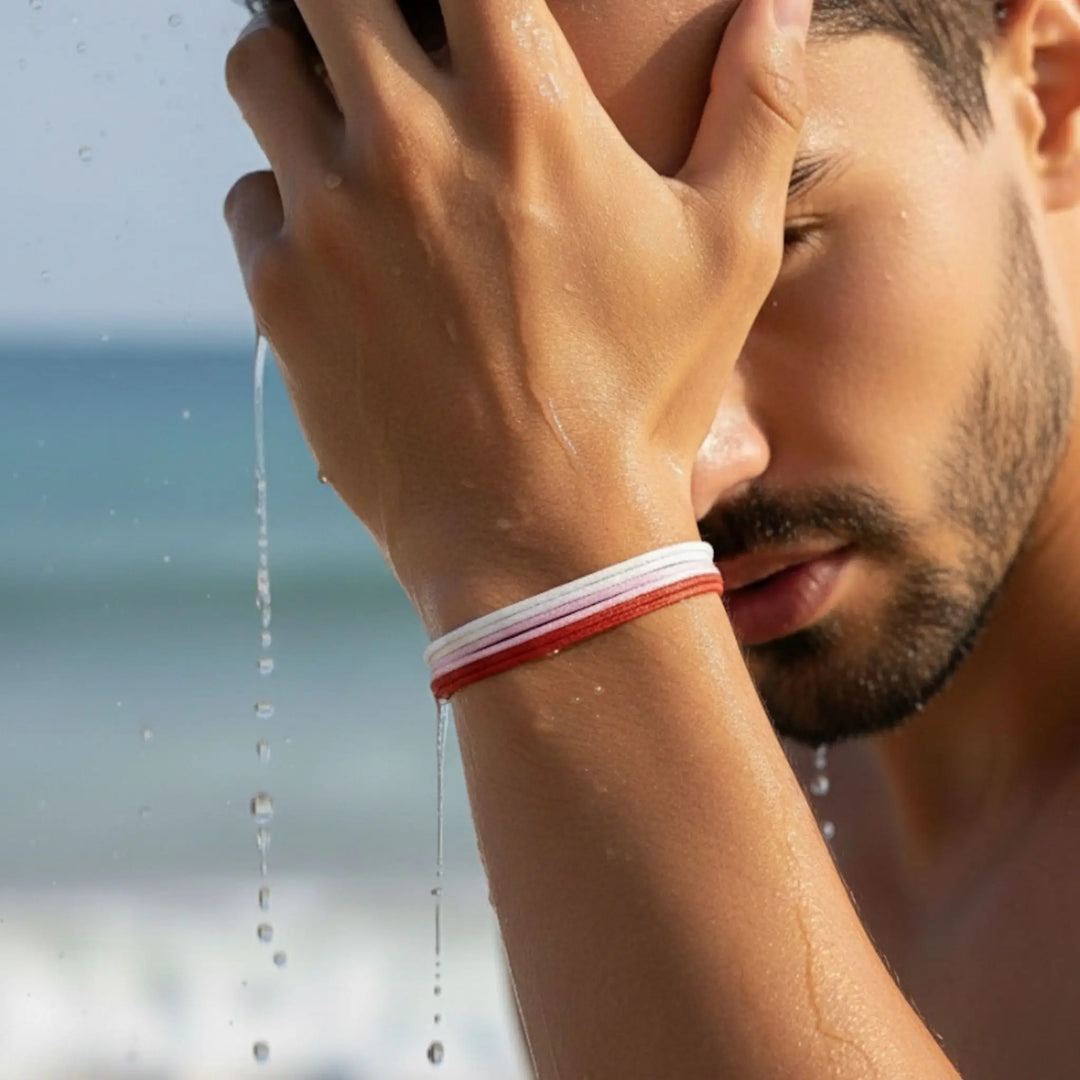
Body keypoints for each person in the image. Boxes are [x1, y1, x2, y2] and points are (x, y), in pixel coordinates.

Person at [223, 0, 1080, 1075]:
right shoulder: (686, 738)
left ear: (1046, 97)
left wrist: (553, 564)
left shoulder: (618, 651)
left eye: (775, 243)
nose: (690, 461)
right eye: (513, 320)